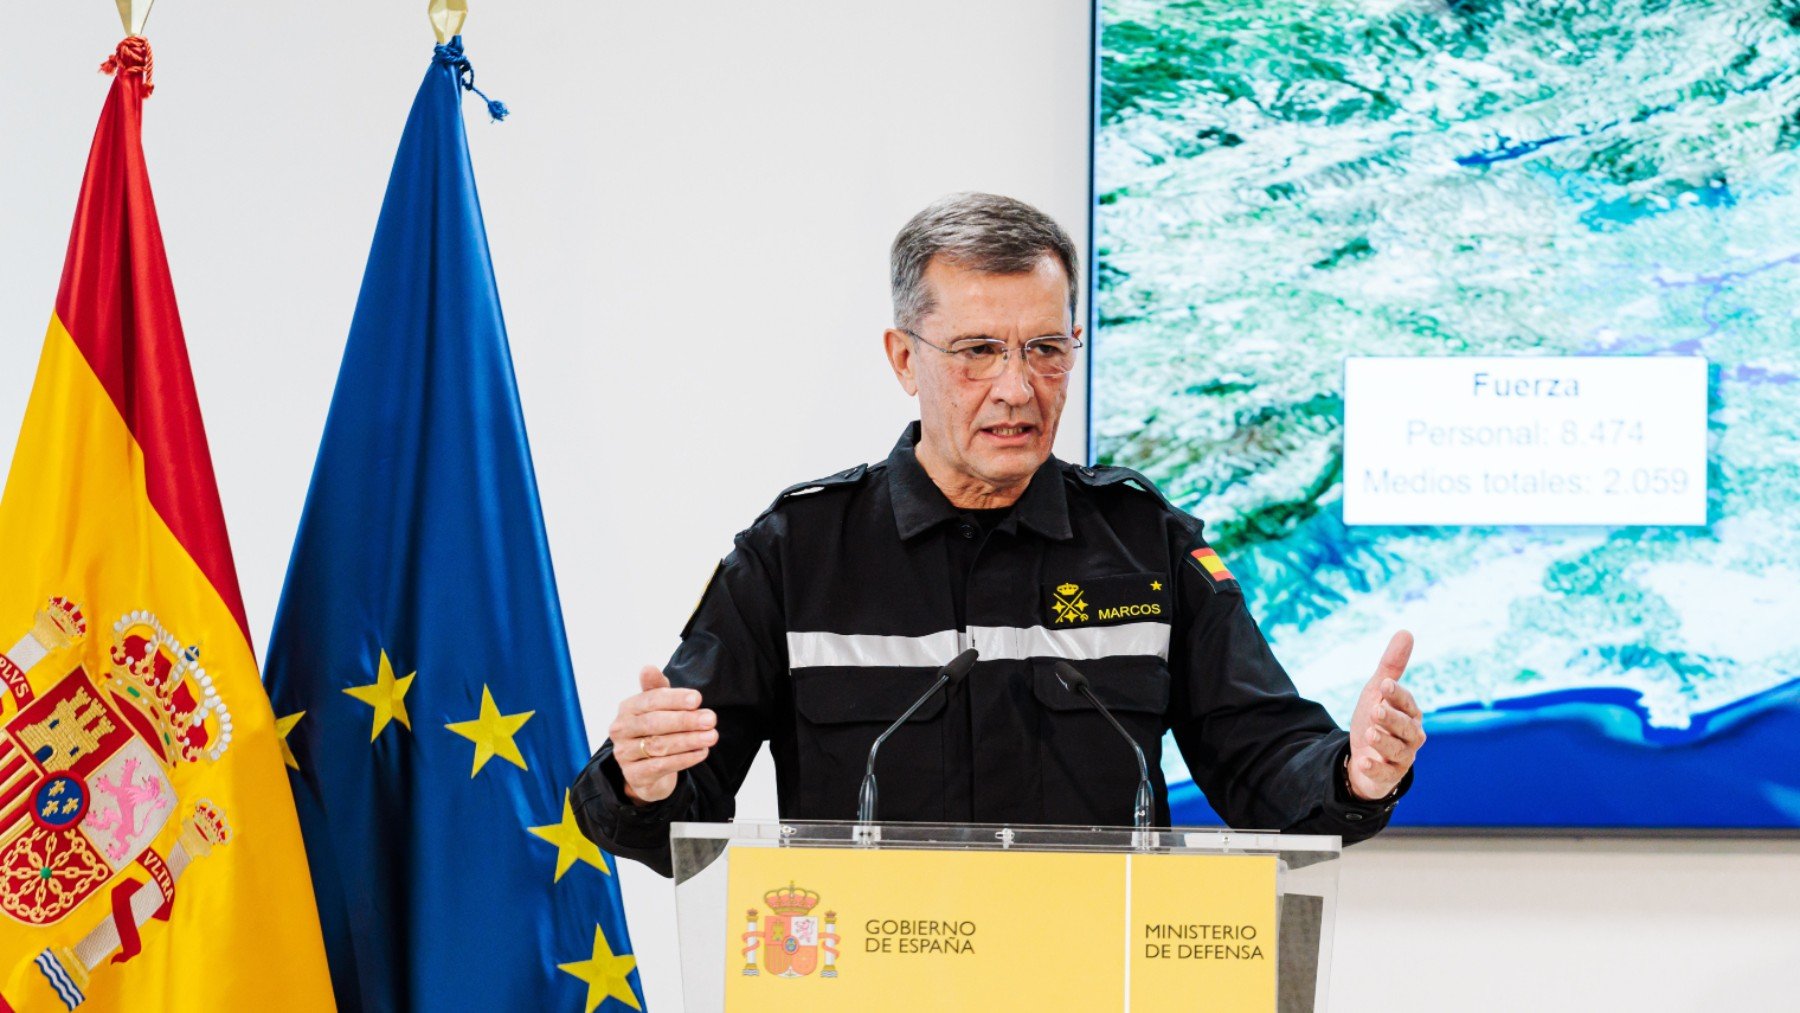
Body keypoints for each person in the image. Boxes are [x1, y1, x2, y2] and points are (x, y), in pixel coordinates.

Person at [572, 193, 1423, 876]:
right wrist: (642, 780)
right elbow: (677, 810)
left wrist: (1356, 774)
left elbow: (1265, 764)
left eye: (1047, 348)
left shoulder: (1146, 543)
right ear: (904, 359)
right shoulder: (798, 552)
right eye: (978, 350)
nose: (1018, 387)